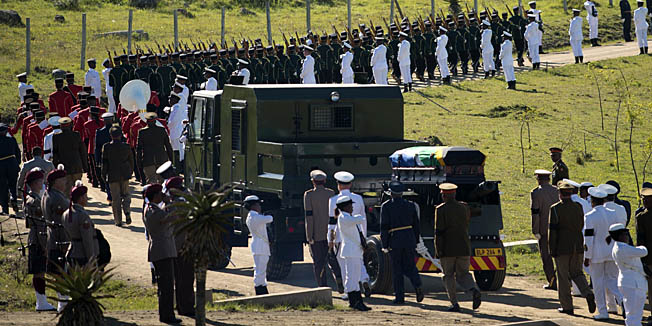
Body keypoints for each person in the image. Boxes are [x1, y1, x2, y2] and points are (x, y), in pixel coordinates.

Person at [548, 181, 596, 315]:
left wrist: (552, 249)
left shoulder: (555, 209)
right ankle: (587, 293)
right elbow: (581, 225)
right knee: (577, 273)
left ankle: (567, 306)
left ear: (560, 194)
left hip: (562, 248)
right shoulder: (578, 207)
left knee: (563, 278)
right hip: (578, 246)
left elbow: (552, 231)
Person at [433, 182, 482, 311]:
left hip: (448, 249)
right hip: (464, 247)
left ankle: (454, 303)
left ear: (443, 195)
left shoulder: (440, 209)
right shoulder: (464, 207)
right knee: (464, 274)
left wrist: (438, 250)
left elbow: (439, 232)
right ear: (454, 194)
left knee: (448, 276)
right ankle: (473, 290)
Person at [328, 171, 371, 298]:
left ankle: (349, 291)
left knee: (345, 265)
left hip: (342, 236)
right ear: (350, 184)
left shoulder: (333, 200)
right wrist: (364, 236)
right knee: (358, 261)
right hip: (357, 234)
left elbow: (331, 222)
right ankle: (364, 279)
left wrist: (330, 239)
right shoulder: (358, 198)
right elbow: (363, 218)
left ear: (338, 185)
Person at [380, 181, 424, 304]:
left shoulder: (386, 206)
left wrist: (385, 244)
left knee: (397, 269)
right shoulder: (411, 205)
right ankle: (418, 285)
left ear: (391, 193)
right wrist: (415, 241)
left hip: (395, 239)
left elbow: (384, 227)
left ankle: (400, 297)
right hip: (409, 238)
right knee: (410, 265)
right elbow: (416, 225)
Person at [143, 183, 180, 324]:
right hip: (161, 251)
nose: (162, 196)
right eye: (160, 194)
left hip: (164, 250)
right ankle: (167, 315)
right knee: (166, 287)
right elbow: (171, 217)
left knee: (167, 286)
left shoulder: (154, 209)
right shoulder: (152, 210)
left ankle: (167, 314)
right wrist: (169, 202)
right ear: (155, 195)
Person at [585, 187, 624, 320]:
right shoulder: (613, 213)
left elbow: (588, 239)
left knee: (598, 283)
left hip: (596, 254)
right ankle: (622, 301)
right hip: (611, 251)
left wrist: (587, 256)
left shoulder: (590, 216)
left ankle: (603, 311)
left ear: (593, 201)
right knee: (612, 280)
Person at [23, 169, 56, 311]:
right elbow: (39, 225)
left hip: (37, 238)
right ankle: (41, 301)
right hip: (37, 240)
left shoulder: (35, 198)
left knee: (41, 270)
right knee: (39, 271)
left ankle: (42, 300)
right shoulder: (34, 201)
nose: (43, 183)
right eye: (41, 180)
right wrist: (45, 245)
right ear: (36, 183)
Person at [303, 170, 340, 289]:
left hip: (317, 234)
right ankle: (339, 280)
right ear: (324, 181)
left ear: (313, 181)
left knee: (319, 262)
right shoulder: (331, 193)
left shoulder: (309, 195)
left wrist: (309, 236)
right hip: (331, 234)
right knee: (333, 260)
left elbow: (309, 217)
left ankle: (322, 286)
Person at [165, 176, 195, 317]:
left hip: (177, 246)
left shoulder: (173, 204)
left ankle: (182, 305)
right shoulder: (178, 206)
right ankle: (186, 307)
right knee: (186, 278)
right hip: (182, 247)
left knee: (181, 278)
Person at [42, 167, 70, 312]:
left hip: (53, 237)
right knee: (60, 271)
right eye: (62, 180)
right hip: (59, 237)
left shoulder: (49, 194)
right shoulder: (56, 198)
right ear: (55, 182)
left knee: (59, 271)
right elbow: (61, 220)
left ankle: (63, 300)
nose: (65, 182)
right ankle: (62, 301)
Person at [336, 195, 371, 311]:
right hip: (350, 252)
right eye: (350, 206)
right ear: (345, 207)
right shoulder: (344, 218)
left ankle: (357, 301)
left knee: (355, 276)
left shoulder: (348, 217)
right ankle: (354, 301)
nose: (352, 208)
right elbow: (360, 219)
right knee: (351, 277)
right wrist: (358, 215)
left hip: (355, 251)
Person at [609, 223, 648, 326]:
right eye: (625, 234)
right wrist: (642, 244)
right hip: (633, 284)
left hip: (629, 282)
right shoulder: (623, 248)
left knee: (633, 315)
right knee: (634, 316)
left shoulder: (619, 247)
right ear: (619, 236)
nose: (627, 236)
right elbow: (644, 251)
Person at [530, 169, 559, 289]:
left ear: (538, 179)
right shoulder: (557, 190)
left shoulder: (536, 193)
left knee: (546, 256)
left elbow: (535, 213)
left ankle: (551, 280)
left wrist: (535, 230)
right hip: (558, 228)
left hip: (543, 229)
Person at [102, 126, 134, 226]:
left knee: (115, 199)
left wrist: (103, 175)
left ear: (111, 136)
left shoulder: (107, 147)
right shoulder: (126, 146)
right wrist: (130, 172)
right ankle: (127, 211)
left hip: (112, 175)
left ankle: (118, 220)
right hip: (124, 174)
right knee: (126, 195)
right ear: (121, 135)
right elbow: (131, 161)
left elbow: (104, 163)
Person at [62, 181, 98, 266]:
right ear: (81, 198)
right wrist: (91, 258)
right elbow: (87, 239)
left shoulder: (66, 214)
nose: (87, 198)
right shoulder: (82, 215)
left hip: (72, 251)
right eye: (85, 196)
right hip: (82, 254)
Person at [244, 195, 273, 295]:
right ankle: (259, 289)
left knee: (261, 269)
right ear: (253, 206)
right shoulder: (255, 217)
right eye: (258, 204)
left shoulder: (252, 216)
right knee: (260, 269)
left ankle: (262, 287)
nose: (260, 206)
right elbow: (270, 218)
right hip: (260, 247)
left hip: (259, 245)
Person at [52, 117, 88, 196]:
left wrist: (55, 168)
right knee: (77, 188)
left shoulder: (56, 137)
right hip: (77, 166)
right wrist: (85, 166)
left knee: (67, 190)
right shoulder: (76, 135)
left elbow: (55, 154)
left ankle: (69, 206)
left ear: (61, 126)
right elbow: (83, 152)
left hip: (65, 167)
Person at [137, 112, 173, 184]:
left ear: (146, 121)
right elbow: (168, 146)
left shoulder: (142, 132)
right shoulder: (162, 130)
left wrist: (139, 161)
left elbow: (139, 149)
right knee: (163, 181)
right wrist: (171, 159)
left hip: (148, 160)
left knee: (151, 182)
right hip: (162, 159)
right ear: (155, 121)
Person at [635, 187, 652, 320]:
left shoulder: (642, 217)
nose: (645, 201)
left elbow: (640, 240)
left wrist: (642, 259)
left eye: (647, 199)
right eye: (644, 198)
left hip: (649, 258)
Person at [0, 123, 21, 215]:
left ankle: (5, 208)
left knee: (2, 187)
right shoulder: (12, 140)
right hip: (12, 163)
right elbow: (18, 153)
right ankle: (14, 199)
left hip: (1, 165)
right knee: (13, 184)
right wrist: (17, 163)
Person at [165, 93, 186, 172]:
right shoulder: (175, 108)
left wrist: (167, 124)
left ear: (175, 100)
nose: (169, 100)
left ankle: (178, 169)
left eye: (170, 99)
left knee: (177, 152)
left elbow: (172, 122)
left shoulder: (176, 108)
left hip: (176, 133)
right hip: (175, 133)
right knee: (176, 151)